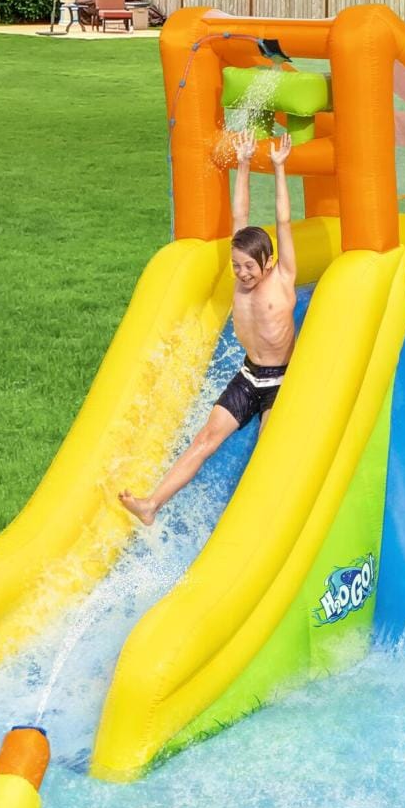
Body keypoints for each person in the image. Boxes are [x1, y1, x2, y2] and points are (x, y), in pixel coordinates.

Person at [119, 131, 296, 525]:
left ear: (268, 262)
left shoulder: (282, 278)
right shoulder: (239, 279)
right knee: (204, 440)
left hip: (281, 380)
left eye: (249, 267)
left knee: (268, 449)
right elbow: (240, 217)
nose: (242, 273)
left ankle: (258, 524)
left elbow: (283, 220)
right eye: (237, 266)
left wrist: (280, 168)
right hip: (250, 375)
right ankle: (151, 505)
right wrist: (244, 162)